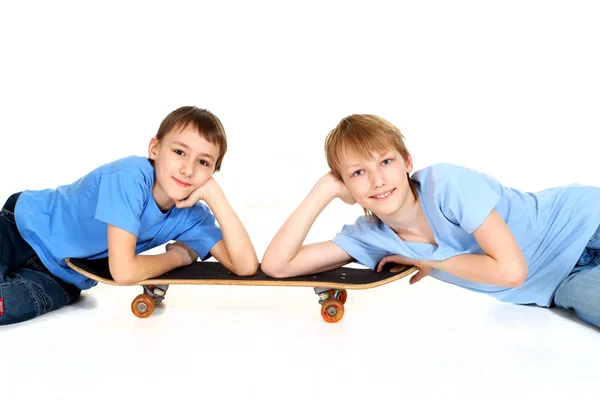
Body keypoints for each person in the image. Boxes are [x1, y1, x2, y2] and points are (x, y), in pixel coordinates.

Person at [261, 113, 600, 330]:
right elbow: (278, 265)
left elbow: (511, 271)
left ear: (407, 161)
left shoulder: (447, 186)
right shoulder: (371, 237)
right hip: (560, 283)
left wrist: (426, 260)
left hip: (584, 222)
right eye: (358, 172)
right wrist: (322, 190)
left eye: (386, 161)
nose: (377, 181)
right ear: (345, 183)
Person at [0, 106, 258, 325]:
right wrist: (177, 257)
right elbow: (123, 271)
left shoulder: (193, 217)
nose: (188, 170)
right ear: (155, 148)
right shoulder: (129, 177)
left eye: (203, 162)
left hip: (64, 274)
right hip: (22, 229)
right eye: (179, 152)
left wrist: (216, 197)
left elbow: (245, 266)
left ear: (213, 171)